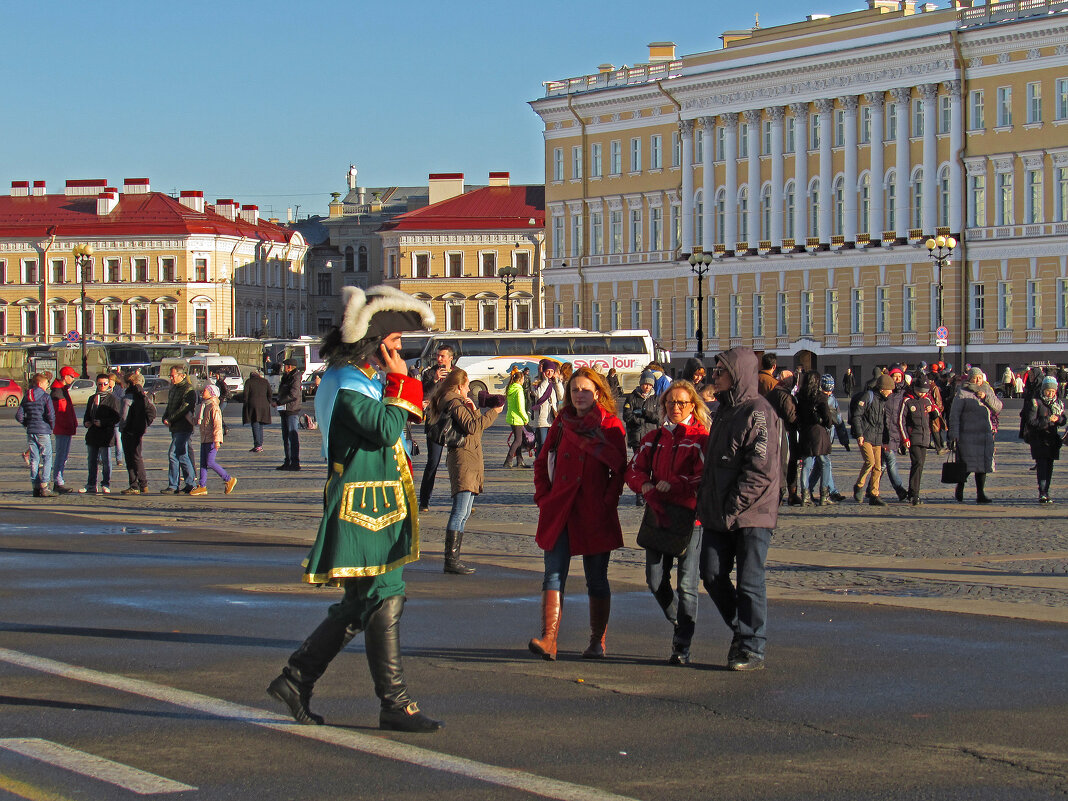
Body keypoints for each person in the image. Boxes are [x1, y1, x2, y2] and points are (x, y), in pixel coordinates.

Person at [267, 284, 442, 733]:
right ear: (377, 346)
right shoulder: (346, 384)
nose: (400, 352)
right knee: (385, 594)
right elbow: (386, 430)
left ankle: (297, 679)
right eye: (396, 345)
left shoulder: (360, 381)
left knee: (362, 602)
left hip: (376, 500)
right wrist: (403, 381)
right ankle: (394, 703)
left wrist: (397, 386)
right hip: (364, 506)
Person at [528, 367, 627, 661]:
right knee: (553, 574)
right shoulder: (561, 422)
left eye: (585, 390)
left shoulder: (611, 425)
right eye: (574, 390)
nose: (579, 395)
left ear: (597, 392)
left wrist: (608, 501)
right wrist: (544, 497)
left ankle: (597, 641)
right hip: (560, 508)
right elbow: (541, 461)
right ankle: (549, 639)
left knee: (596, 578)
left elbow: (619, 469)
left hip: (594, 510)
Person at [696, 347, 781, 671]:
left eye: (720, 371)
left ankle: (751, 646)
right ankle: (743, 629)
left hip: (752, 514)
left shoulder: (758, 412)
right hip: (720, 512)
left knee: (749, 580)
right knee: (712, 573)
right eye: (714, 371)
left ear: (739, 374)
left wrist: (733, 507)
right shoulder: (724, 411)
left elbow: (760, 470)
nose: (714, 376)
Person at [625, 380, 709, 665]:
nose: (676, 408)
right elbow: (634, 469)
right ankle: (678, 620)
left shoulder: (700, 438)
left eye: (682, 403)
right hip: (658, 515)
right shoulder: (655, 437)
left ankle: (682, 643)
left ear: (692, 406)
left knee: (687, 583)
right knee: (654, 578)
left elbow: (704, 477)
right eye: (671, 403)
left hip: (689, 519)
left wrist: (675, 484)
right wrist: (644, 485)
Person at [428, 370, 504, 574]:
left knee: (464, 513)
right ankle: (451, 560)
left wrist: (475, 410)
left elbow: (475, 427)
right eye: (467, 385)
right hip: (463, 458)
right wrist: (493, 412)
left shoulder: (458, 402)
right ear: (458, 386)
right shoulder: (453, 402)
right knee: (460, 511)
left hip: (470, 457)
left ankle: (453, 559)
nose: (469, 389)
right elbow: (472, 428)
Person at [949, 367, 1003, 504]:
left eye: (980, 377)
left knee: (982, 466)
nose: (978, 380)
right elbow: (954, 415)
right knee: (967, 465)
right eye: (975, 377)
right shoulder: (962, 392)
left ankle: (981, 493)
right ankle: (960, 486)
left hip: (984, 434)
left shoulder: (987, 390)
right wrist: (954, 434)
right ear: (970, 378)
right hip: (967, 435)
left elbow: (998, 407)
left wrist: (986, 398)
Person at [418, 345, 455, 510]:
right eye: (438, 356)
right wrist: (435, 380)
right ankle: (424, 501)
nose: (439, 359)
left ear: (450, 358)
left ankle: (460, 498)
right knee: (433, 462)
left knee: (457, 462)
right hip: (435, 422)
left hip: (453, 421)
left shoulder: (457, 373)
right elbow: (424, 395)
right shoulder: (429, 373)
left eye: (442, 356)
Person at [850, 373, 895, 506]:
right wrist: (859, 434)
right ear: (882, 388)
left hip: (878, 437)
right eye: (889, 389)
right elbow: (857, 416)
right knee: (870, 462)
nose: (891, 392)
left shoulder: (883, 401)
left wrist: (886, 441)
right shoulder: (868, 396)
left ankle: (874, 494)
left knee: (878, 467)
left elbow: (884, 422)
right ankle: (859, 485)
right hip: (866, 436)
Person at [188, 384, 237, 497]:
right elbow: (200, 421)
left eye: (205, 390)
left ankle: (228, 479)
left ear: (211, 393)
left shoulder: (213, 407)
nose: (202, 392)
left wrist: (217, 440)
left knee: (210, 462)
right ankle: (202, 486)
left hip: (212, 439)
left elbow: (217, 425)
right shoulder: (205, 405)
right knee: (203, 464)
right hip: (204, 438)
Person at [1024, 376, 1066, 504]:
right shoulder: (1035, 402)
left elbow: (1063, 419)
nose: (1051, 393)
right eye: (1048, 391)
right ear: (1043, 389)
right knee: (1042, 466)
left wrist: (1058, 420)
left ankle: (1046, 491)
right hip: (1039, 439)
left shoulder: (1057, 403)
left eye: (1053, 391)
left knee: (1049, 467)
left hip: (1052, 439)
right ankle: (1042, 492)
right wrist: (1047, 420)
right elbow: (1031, 421)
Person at [796, 371, 834, 506]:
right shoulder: (820, 397)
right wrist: (827, 423)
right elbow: (828, 418)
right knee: (825, 462)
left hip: (805, 432)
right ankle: (824, 495)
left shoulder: (800, 396)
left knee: (806, 464)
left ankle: (805, 495)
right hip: (818, 432)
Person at [898, 375, 937, 505]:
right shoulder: (907, 401)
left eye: (925, 391)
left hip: (925, 437)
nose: (922, 394)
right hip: (913, 436)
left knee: (920, 466)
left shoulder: (927, 400)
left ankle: (914, 492)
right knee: (917, 463)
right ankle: (914, 493)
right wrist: (905, 438)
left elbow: (936, 415)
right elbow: (901, 421)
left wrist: (933, 410)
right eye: (920, 391)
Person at [622, 371, 660, 505]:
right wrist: (639, 420)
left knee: (653, 466)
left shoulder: (656, 399)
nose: (647, 387)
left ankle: (651, 493)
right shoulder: (632, 397)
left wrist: (645, 414)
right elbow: (626, 416)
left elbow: (658, 417)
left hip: (651, 436)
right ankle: (640, 494)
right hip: (637, 437)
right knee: (640, 466)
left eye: (649, 385)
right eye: (645, 384)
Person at [161, 366, 199, 495]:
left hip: (184, 426)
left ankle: (173, 485)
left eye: (173, 376)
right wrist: (165, 417)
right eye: (170, 376)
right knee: (182, 455)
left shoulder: (188, 389)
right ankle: (190, 483)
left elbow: (184, 408)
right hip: (175, 427)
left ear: (181, 375)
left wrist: (171, 419)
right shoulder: (173, 389)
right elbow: (170, 405)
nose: (171, 378)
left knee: (173, 454)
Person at [16, 373, 55, 497]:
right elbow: (50, 415)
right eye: (45, 383)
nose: (47, 385)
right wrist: (51, 426)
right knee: (47, 457)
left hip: (31, 431)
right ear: (40, 384)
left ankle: (35, 486)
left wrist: (27, 423)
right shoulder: (45, 397)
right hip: (43, 430)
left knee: (34, 458)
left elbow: (19, 415)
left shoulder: (26, 396)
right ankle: (45, 486)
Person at [765, 370, 799, 505]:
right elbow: (791, 416)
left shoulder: (771, 393)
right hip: (784, 432)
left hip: (773, 432)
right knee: (786, 463)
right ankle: (785, 492)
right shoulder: (784, 395)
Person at [83, 373, 121, 494]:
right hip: (93, 433)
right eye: (100, 384)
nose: (103, 386)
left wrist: (103, 422)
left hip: (106, 433)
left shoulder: (112, 398)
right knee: (92, 460)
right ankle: (91, 484)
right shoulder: (92, 398)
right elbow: (87, 415)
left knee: (106, 461)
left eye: (105, 384)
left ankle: (105, 483)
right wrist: (86, 422)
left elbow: (116, 417)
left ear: (108, 384)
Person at [118, 371, 156, 494]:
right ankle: (142, 484)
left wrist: (122, 427)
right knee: (137, 456)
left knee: (131, 458)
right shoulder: (142, 395)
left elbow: (124, 415)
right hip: (138, 430)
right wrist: (145, 423)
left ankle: (135, 484)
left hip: (129, 430)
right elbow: (152, 410)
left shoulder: (128, 396)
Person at [50, 365, 80, 494]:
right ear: (65, 377)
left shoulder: (62, 390)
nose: (73, 379)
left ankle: (59, 480)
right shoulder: (58, 392)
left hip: (66, 428)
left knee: (63, 456)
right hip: (62, 428)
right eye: (72, 376)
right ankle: (58, 482)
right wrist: (70, 424)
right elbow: (61, 413)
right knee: (61, 456)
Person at [530, 359, 564, 457]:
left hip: (553, 417)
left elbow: (561, 396)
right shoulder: (537, 382)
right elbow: (538, 395)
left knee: (552, 444)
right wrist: (545, 381)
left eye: (552, 371)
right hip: (541, 418)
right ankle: (539, 462)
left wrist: (557, 382)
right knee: (542, 444)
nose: (549, 373)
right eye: (547, 371)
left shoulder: (554, 383)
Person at [274, 358, 302, 471]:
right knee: (285, 437)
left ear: (289, 367)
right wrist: (277, 400)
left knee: (292, 436)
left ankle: (295, 462)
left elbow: (293, 394)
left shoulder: (295, 377)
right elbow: (283, 391)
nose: (283, 368)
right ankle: (287, 461)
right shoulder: (286, 376)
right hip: (284, 410)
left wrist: (279, 402)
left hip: (291, 410)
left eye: (285, 366)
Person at [503, 369, 531, 468]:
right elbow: (520, 407)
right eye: (523, 379)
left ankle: (520, 461)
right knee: (518, 440)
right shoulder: (519, 390)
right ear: (520, 379)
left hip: (511, 417)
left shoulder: (511, 388)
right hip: (517, 418)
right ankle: (508, 460)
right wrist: (525, 418)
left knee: (517, 439)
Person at [242, 370, 272, 452]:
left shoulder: (249, 382)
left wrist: (245, 402)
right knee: (260, 425)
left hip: (253, 405)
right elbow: (270, 393)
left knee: (255, 423)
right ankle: (259, 444)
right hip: (264, 406)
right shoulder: (265, 381)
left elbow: (245, 394)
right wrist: (268, 402)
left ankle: (258, 445)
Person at [213, 371, 232, 436]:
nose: (216, 376)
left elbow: (225, 392)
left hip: (223, 400)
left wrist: (221, 398)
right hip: (220, 400)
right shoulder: (218, 382)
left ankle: (224, 427)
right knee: (218, 414)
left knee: (218, 414)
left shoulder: (222, 383)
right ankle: (223, 427)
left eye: (217, 375)